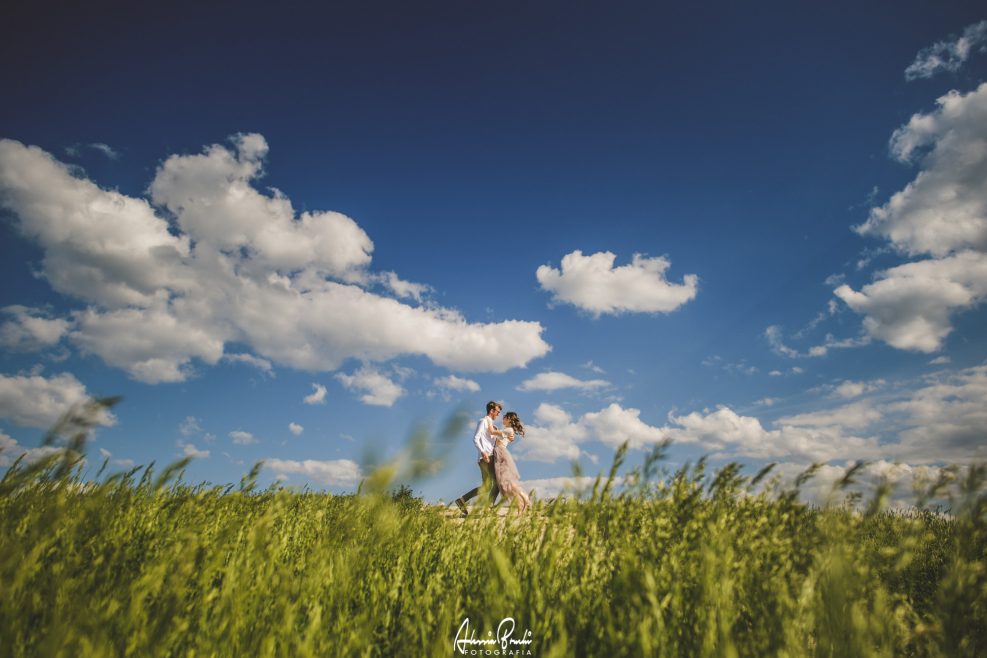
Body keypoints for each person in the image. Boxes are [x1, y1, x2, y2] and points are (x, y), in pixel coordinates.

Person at [454, 401, 504, 517]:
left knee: (486, 487)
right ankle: (489, 508)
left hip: (485, 458)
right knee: (498, 483)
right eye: (497, 411)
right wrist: (483, 452)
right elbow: (476, 438)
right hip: (486, 457)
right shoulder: (483, 421)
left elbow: (493, 442)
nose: (498, 414)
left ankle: (461, 500)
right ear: (491, 411)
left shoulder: (492, 425)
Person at [494, 411, 530, 515]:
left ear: (509, 419)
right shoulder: (507, 430)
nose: (502, 418)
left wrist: (488, 424)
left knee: (507, 483)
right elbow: (497, 434)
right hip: (499, 453)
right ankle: (522, 504)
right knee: (505, 484)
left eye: (504, 417)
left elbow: (492, 432)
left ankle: (524, 499)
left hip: (501, 454)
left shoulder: (508, 429)